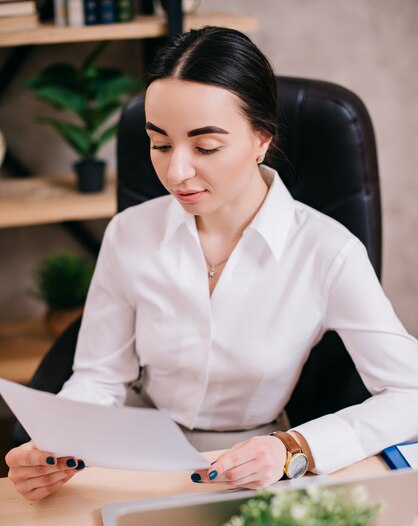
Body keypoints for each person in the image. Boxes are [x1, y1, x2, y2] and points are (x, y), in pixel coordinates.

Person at [6, 26, 418, 501]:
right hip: (131, 450)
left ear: (262, 138)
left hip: (250, 462)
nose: (176, 172)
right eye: (160, 145)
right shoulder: (130, 233)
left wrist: (295, 448)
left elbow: (408, 393)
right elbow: (99, 376)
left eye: (205, 147)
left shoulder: (328, 252)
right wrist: (57, 446)